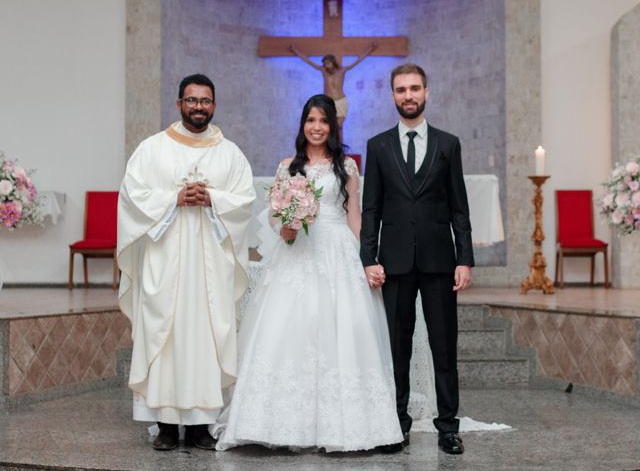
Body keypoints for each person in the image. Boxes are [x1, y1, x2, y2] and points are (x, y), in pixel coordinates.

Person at [216, 94, 403, 452]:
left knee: (343, 330)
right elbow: (274, 215)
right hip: (298, 253)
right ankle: (278, 424)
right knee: (292, 329)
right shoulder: (288, 166)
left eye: (323, 121)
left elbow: (354, 217)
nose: (316, 127)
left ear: (332, 126)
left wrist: (368, 259)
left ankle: (353, 425)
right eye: (310, 120)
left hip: (337, 252)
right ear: (302, 125)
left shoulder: (346, 167)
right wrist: (284, 227)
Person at [117, 74, 255, 451]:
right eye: (191, 100)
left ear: (214, 104)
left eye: (205, 101)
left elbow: (244, 200)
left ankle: (199, 427)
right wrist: (173, 197)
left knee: (207, 337)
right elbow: (131, 196)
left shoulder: (230, 153)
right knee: (166, 334)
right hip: (165, 263)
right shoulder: (152, 149)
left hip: (211, 264)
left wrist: (214, 199)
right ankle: (165, 425)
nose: (199, 107)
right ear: (179, 104)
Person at [360, 63, 474, 455]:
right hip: (392, 262)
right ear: (392, 96)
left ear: (427, 92)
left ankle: (448, 427)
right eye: (400, 90)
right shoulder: (377, 146)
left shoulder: (448, 144)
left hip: (440, 260)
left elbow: (459, 206)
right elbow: (370, 208)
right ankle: (397, 423)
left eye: (414, 88)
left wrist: (465, 259)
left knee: (444, 346)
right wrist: (367, 258)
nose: (408, 96)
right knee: (397, 347)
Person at [289, 43, 377, 132]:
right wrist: (296, 51)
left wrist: (369, 50)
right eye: (325, 63)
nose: (326, 65)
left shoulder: (342, 71)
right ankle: (329, 144)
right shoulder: (324, 71)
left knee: (338, 126)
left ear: (333, 62)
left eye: (328, 63)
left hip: (341, 100)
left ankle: (336, 144)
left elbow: (357, 61)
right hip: (328, 102)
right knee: (327, 125)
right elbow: (308, 61)